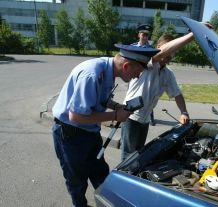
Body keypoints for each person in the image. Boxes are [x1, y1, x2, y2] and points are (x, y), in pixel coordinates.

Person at [51, 44, 160, 207]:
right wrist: (116, 115)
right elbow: (76, 116)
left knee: (100, 173)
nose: (137, 77)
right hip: (71, 135)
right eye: (137, 72)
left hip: (90, 133)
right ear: (126, 66)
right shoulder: (92, 74)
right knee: (77, 179)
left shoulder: (108, 71)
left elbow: (100, 99)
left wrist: (117, 106)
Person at [121, 32, 195, 161]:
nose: (170, 54)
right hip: (130, 117)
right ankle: (122, 180)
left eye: (173, 51)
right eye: (168, 48)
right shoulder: (147, 62)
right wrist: (193, 35)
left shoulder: (168, 73)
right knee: (128, 156)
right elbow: (160, 53)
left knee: (139, 154)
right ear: (157, 47)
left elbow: (177, 94)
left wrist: (184, 112)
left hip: (145, 120)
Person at [131, 23, 156, 125]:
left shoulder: (151, 49)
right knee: (133, 94)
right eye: (143, 34)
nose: (145, 37)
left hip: (146, 75)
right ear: (139, 35)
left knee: (146, 95)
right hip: (133, 75)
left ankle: (150, 116)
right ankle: (131, 113)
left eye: (146, 35)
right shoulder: (132, 46)